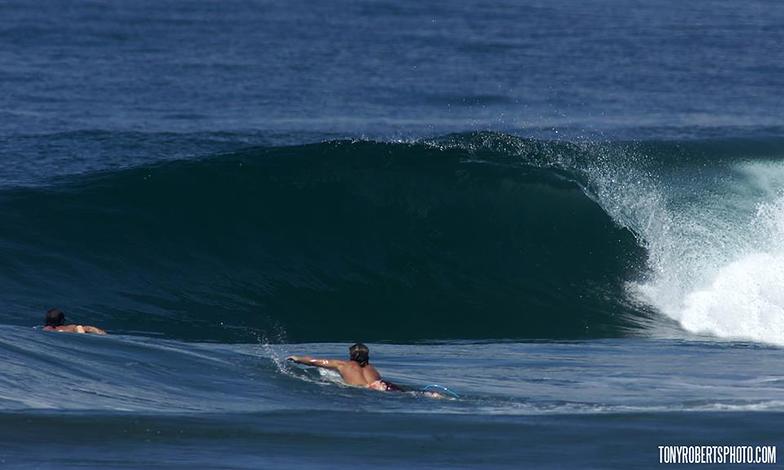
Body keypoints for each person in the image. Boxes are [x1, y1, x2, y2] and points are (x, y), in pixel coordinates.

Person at [287, 343, 402, 392]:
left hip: (360, 391)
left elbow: (315, 362)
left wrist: (297, 358)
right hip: (383, 387)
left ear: (351, 355)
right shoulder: (372, 368)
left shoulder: (342, 364)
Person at [42, 308, 107, 335]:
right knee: (81, 327)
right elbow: (88, 328)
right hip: (76, 332)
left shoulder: (46, 329)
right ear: (62, 320)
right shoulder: (71, 327)